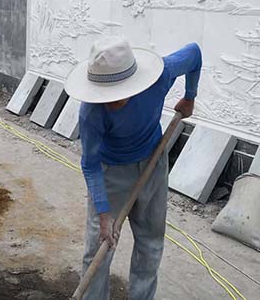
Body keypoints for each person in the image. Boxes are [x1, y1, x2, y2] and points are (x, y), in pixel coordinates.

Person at [64, 36, 202, 300]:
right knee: (99, 247)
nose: (108, 101)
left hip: (153, 162)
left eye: (116, 94)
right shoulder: (91, 112)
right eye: (103, 94)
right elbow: (90, 164)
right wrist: (104, 213)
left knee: (150, 242)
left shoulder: (160, 77)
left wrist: (190, 97)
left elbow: (194, 53)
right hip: (110, 174)